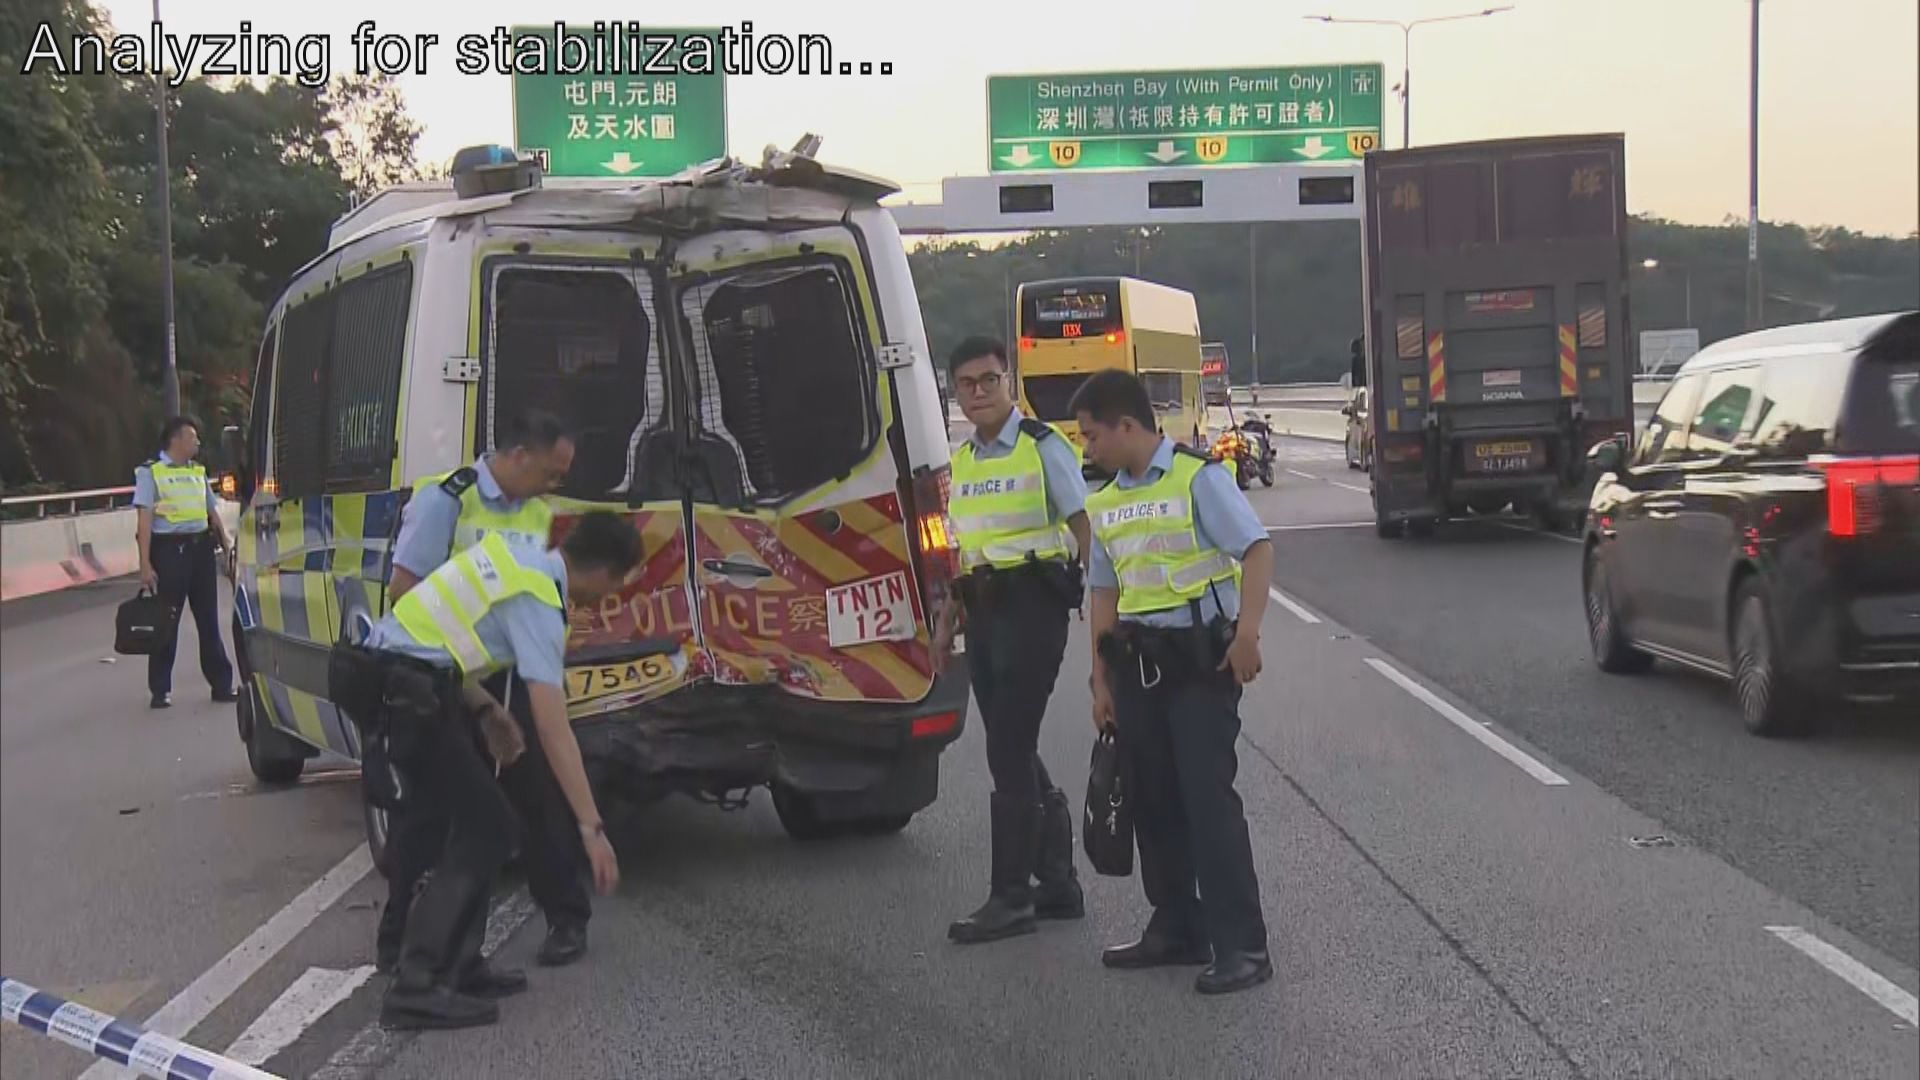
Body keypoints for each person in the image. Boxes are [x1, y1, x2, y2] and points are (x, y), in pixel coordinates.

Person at [342, 512, 640, 1030]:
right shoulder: (540, 601)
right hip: (403, 689)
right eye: (616, 584)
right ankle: (415, 985)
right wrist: (591, 827)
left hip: (404, 679)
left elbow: (440, 640)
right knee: (490, 826)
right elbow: (553, 726)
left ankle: (455, 965)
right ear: (603, 571)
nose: (609, 597)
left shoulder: (520, 559)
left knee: (476, 821)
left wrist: (487, 709)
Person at [1071, 368, 1275, 996]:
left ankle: (1241, 944)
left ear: (1127, 426)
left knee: (1206, 801)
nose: (1086, 448)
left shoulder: (1197, 476)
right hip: (1137, 665)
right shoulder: (1104, 498)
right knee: (1154, 798)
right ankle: (1177, 925)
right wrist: (1099, 680)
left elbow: (1257, 549)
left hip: (1199, 664)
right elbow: (1103, 593)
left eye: (1091, 436)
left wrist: (1248, 634)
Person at [377, 410, 596, 972]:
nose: (555, 487)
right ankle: (402, 939)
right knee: (430, 814)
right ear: (519, 455)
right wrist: (474, 687)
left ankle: (567, 917)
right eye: (550, 472)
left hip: (515, 675)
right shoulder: (446, 500)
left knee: (540, 795)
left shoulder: (539, 514)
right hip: (452, 682)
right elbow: (405, 592)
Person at [933, 336, 1091, 945]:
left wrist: (1092, 602)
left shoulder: (1043, 448)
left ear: (1009, 379)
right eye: (966, 384)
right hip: (986, 610)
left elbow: (1085, 529)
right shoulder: (966, 461)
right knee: (1010, 743)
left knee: (1008, 749)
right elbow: (964, 549)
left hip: (1032, 606)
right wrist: (947, 623)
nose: (978, 393)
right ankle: (1056, 885)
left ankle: (1011, 897)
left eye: (988, 380)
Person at [132, 416, 236, 709]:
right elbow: (144, 520)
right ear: (176, 440)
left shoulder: (197, 472)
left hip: (201, 549)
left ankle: (222, 684)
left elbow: (212, 513)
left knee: (209, 621)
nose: (198, 443)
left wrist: (227, 548)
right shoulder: (151, 473)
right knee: (167, 620)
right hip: (169, 552)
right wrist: (145, 565)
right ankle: (160, 689)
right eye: (193, 437)